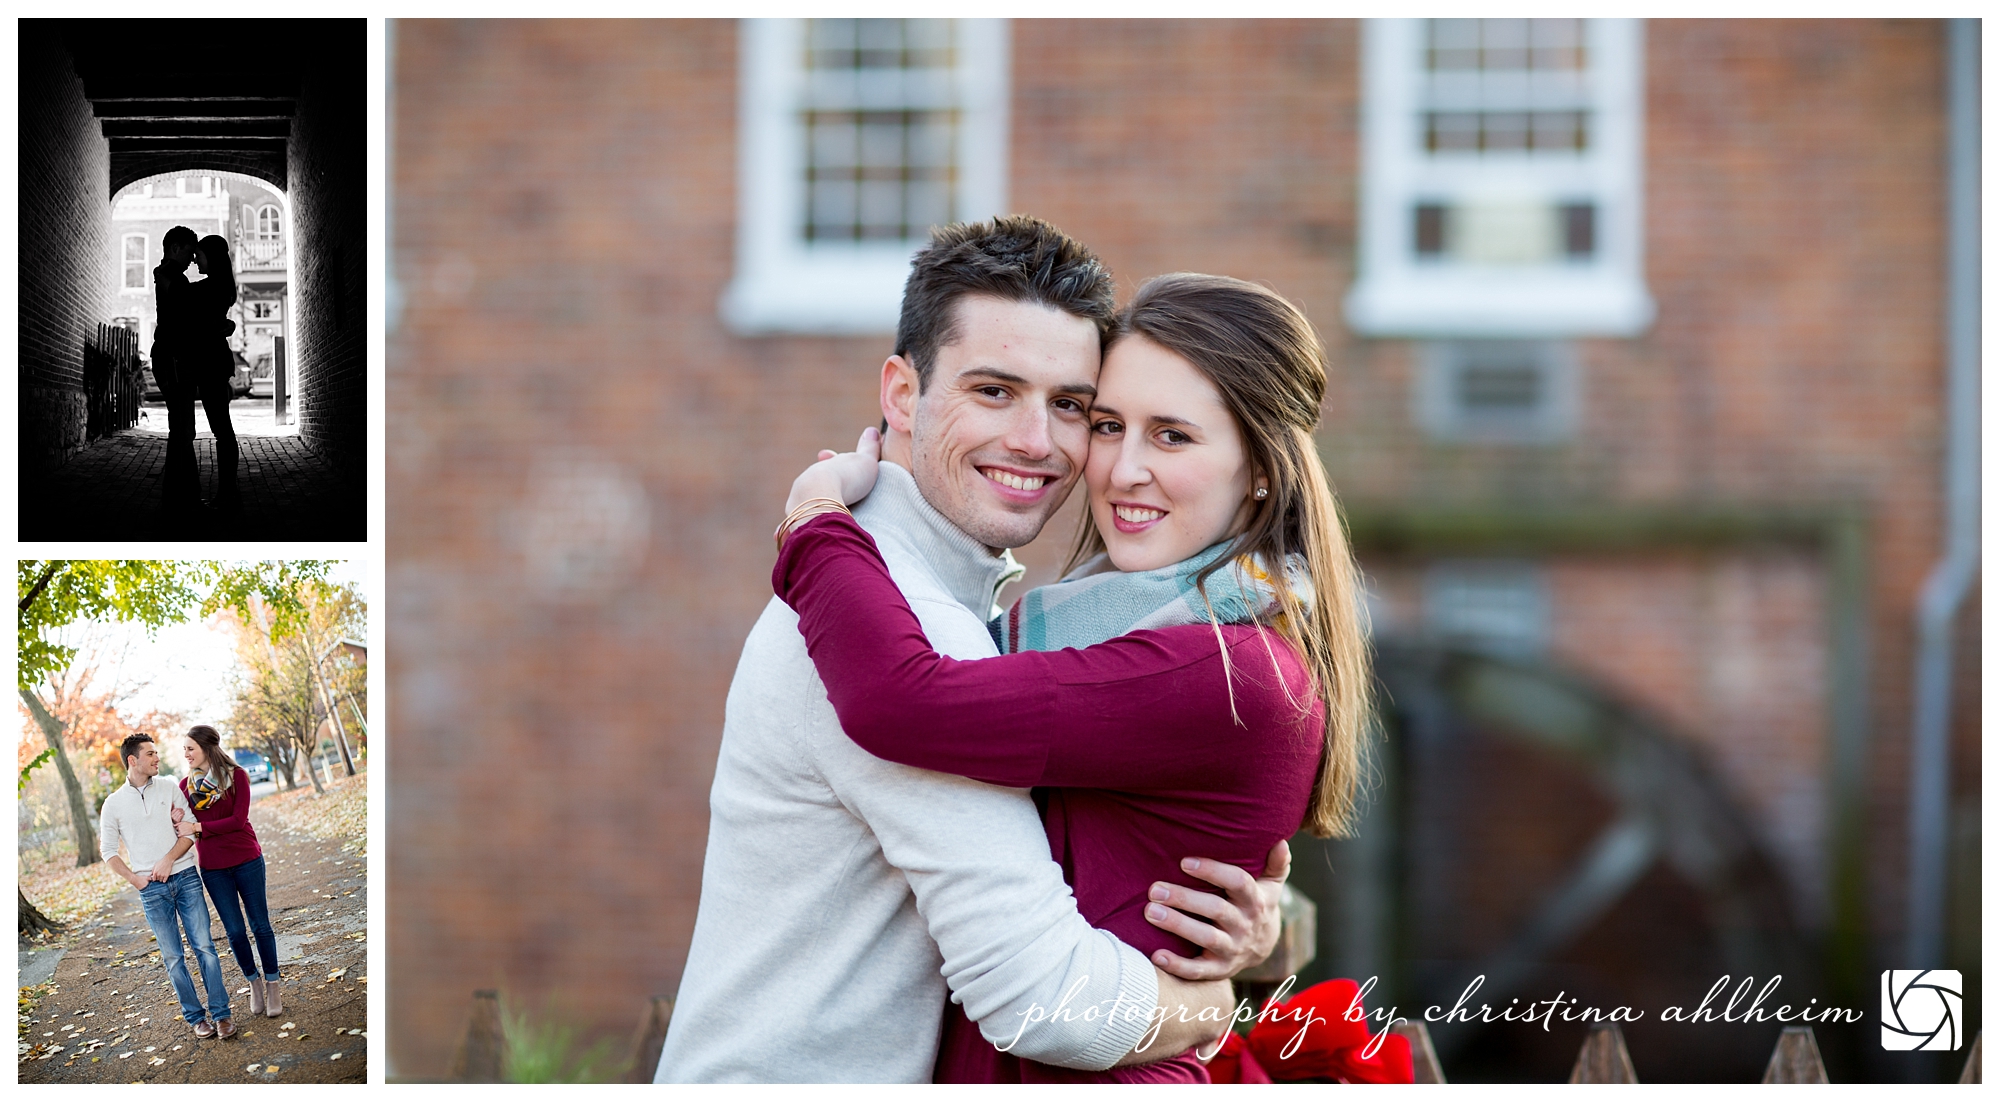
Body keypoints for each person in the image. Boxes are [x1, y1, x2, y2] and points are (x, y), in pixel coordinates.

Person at [657, 219, 1289, 1084]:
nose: (1037, 441)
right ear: (903, 395)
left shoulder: (954, 606)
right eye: (994, 390)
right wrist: (1206, 1008)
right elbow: (1044, 996)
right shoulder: (897, 623)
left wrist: (1257, 918)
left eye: (1070, 405)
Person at [771, 273, 1374, 1082]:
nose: (1122, 470)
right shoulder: (1161, 628)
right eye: (1109, 425)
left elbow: (901, 701)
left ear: (1262, 469)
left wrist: (815, 526)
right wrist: (1238, 962)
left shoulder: (1224, 672)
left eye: (1173, 437)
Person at [98, 733, 234, 1039]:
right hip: (151, 890)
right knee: (173, 957)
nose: (157, 758)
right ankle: (196, 1018)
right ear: (133, 761)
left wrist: (168, 861)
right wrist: (136, 880)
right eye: (150, 754)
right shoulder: (113, 804)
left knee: (205, 948)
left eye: (157, 753)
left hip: (185, 878)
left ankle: (222, 1014)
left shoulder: (170, 788)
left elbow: (189, 834)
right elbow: (107, 851)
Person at [173, 725, 283, 1019]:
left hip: (247, 859)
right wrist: (177, 820)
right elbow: (180, 825)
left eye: (190, 749)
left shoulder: (237, 777)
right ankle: (254, 984)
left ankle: (273, 984)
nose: (185, 754)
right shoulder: (186, 788)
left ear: (207, 749)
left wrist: (198, 827)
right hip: (213, 868)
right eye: (184, 749)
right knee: (235, 931)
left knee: (260, 925)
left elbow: (238, 819)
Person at [184, 235, 242, 511]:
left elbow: (197, 319)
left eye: (199, 254)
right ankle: (228, 492)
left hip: (210, 364)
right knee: (223, 430)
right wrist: (224, 325)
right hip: (214, 362)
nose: (195, 259)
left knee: (222, 431)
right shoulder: (220, 286)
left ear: (212, 256)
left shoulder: (209, 288)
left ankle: (227, 493)